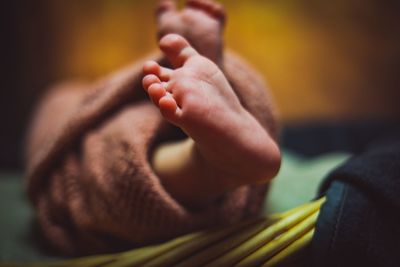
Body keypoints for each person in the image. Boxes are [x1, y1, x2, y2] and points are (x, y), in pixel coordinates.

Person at [25, 0, 280, 255]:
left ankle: (209, 167)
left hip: (150, 137)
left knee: (62, 109)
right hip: (171, 129)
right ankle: (209, 160)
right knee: (136, 126)